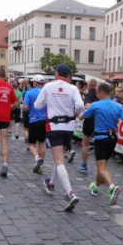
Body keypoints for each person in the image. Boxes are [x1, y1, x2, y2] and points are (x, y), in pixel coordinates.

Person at [34, 64, 84, 211]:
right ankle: (51, 184)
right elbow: (80, 105)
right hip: (68, 127)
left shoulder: (48, 86)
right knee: (60, 157)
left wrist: (48, 102)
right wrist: (74, 111)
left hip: (54, 126)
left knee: (59, 160)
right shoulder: (73, 88)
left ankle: (70, 193)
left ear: (56, 74)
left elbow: (37, 105)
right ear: (68, 75)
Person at [79, 83, 123, 205]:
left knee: (102, 167)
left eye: (97, 93)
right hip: (113, 138)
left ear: (101, 93)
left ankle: (112, 187)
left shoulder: (95, 105)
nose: (96, 95)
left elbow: (81, 117)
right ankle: (96, 186)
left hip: (101, 137)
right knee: (102, 165)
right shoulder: (118, 106)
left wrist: (77, 114)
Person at [22, 74, 47, 174]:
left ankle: (37, 158)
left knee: (31, 144)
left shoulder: (29, 92)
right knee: (41, 143)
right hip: (45, 121)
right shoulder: (47, 92)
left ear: (35, 82)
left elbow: (25, 107)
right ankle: (41, 166)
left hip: (34, 120)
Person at [78, 79, 98, 174]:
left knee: (85, 144)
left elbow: (87, 106)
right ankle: (101, 170)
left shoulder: (89, 95)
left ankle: (84, 165)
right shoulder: (100, 95)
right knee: (99, 146)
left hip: (90, 120)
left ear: (89, 86)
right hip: (100, 122)